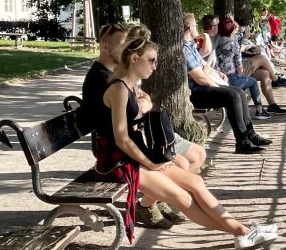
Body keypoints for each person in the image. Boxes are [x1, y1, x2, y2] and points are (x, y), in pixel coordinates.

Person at [96, 25, 278, 249]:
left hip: (137, 156)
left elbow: (144, 109)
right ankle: (242, 231)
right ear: (134, 59)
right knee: (182, 198)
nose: (155, 66)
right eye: (151, 60)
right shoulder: (119, 89)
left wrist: (151, 159)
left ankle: (241, 228)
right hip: (119, 162)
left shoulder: (130, 86)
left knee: (196, 182)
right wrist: (151, 163)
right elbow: (122, 138)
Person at [82, 22, 208, 229]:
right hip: (117, 149)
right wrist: (143, 104)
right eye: (123, 44)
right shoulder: (103, 79)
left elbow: (143, 102)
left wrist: (143, 103)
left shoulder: (116, 75)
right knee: (181, 163)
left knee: (190, 159)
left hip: (138, 137)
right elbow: (136, 110)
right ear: (105, 45)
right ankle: (151, 204)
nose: (128, 49)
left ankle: (152, 203)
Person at [183, 13, 271, 153]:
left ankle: (250, 134)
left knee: (239, 92)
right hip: (195, 92)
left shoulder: (190, 46)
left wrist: (215, 73)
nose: (196, 28)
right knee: (232, 95)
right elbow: (200, 77)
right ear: (189, 27)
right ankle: (241, 141)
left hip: (202, 85)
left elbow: (204, 66)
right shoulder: (184, 49)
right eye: (194, 26)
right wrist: (217, 85)